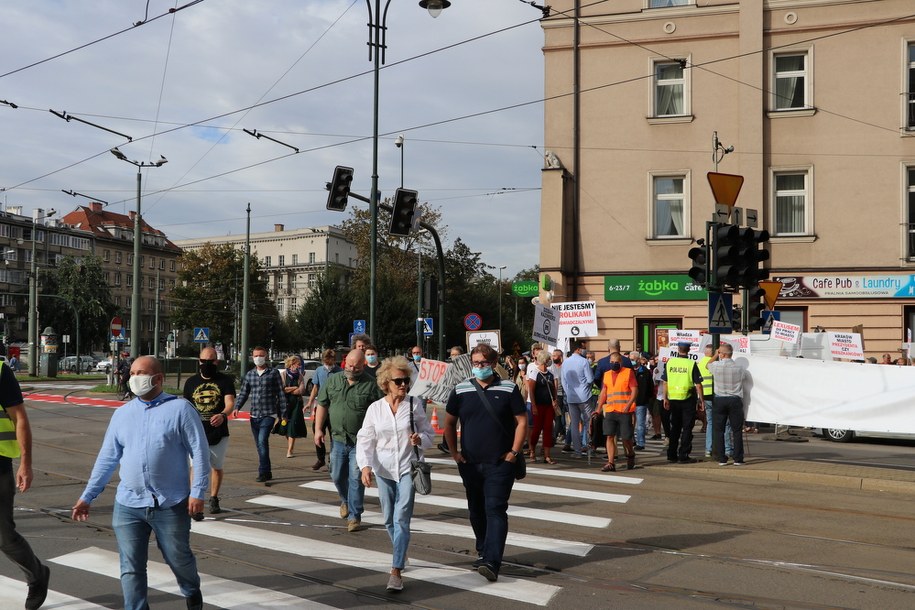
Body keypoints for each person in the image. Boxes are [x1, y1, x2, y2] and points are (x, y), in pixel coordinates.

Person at [72, 356, 209, 610]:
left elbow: (200, 453)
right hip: (128, 503)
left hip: (171, 503)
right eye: (132, 372)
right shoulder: (122, 414)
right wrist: (87, 496)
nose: (133, 378)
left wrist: (198, 492)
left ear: (158, 378)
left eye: (140, 373)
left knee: (178, 558)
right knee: (131, 566)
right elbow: (107, 458)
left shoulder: (180, 409)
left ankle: (191, 590)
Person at [443, 343, 526, 583]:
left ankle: (492, 561)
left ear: (493, 363)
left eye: (485, 363)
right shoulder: (460, 390)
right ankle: (483, 550)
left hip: (500, 464)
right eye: (476, 363)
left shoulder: (508, 388)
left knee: (495, 509)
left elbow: (521, 421)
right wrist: (454, 454)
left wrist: (513, 452)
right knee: (476, 511)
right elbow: (449, 423)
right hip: (470, 463)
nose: (480, 367)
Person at [357, 356, 434, 592]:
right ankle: (401, 550)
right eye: (398, 381)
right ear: (386, 383)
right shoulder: (375, 409)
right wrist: (365, 466)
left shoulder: (414, 405)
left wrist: (420, 439)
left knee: (401, 518)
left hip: (408, 468)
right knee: (389, 518)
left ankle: (396, 570)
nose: (403, 385)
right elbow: (366, 438)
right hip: (383, 470)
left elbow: (429, 434)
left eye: (405, 381)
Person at [314, 350, 383, 533]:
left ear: (363, 366)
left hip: (360, 442)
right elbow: (322, 404)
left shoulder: (370, 384)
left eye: (357, 366)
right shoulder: (333, 380)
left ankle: (354, 516)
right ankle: (345, 500)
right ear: (345, 363)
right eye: (349, 365)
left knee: (355, 478)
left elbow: (380, 409)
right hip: (337, 439)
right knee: (336, 475)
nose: (352, 369)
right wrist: (318, 429)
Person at [0, 358, 50, 610]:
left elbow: (19, 418)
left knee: (4, 536)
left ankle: (37, 575)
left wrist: (25, 463)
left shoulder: (0, 372)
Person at [183, 346, 236, 515]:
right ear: (199, 361)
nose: (207, 363)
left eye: (210, 361)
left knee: (216, 466)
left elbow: (229, 403)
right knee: (196, 467)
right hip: (196, 432)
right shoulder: (191, 382)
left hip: (218, 432)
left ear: (216, 361)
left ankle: (213, 497)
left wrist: (222, 414)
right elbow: (186, 406)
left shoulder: (225, 381)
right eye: (204, 361)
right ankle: (195, 498)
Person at [233, 346, 284, 483]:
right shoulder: (250, 375)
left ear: (266, 356)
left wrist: (283, 414)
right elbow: (244, 393)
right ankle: (267, 471)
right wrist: (237, 406)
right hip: (254, 415)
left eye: (260, 355)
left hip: (269, 414)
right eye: (255, 355)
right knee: (259, 445)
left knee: (262, 441)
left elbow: (280, 393)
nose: (258, 358)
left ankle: (263, 472)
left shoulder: (273, 373)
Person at [661, 341, 704, 464]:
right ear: (689, 349)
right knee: (687, 428)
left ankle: (671, 454)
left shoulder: (670, 362)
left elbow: (665, 382)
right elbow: (698, 385)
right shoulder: (691, 363)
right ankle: (683, 455)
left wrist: (665, 398)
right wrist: (701, 400)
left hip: (673, 399)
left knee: (675, 428)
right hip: (688, 399)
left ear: (678, 349)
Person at [596, 352, 638, 472]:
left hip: (624, 411)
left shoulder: (628, 372)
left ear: (621, 362)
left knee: (626, 438)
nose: (614, 364)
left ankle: (630, 454)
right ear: (610, 363)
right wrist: (598, 409)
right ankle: (610, 462)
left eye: (616, 362)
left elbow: (635, 390)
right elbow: (604, 392)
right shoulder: (607, 374)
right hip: (610, 410)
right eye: (612, 362)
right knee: (609, 436)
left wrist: (629, 404)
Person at [708, 343, 748, 466]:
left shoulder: (716, 366)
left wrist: (715, 354)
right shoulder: (740, 368)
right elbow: (744, 379)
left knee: (719, 430)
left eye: (720, 353)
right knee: (736, 430)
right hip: (735, 400)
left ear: (723, 354)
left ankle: (722, 458)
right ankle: (738, 458)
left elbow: (707, 365)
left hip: (719, 400)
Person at [305, 349, 342, 471]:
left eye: (331, 360)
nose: (329, 363)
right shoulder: (319, 370)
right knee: (317, 431)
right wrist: (309, 402)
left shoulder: (339, 372)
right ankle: (320, 458)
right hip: (321, 407)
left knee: (334, 434)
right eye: (327, 360)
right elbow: (315, 388)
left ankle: (332, 460)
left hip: (335, 407)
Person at [560, 340, 594, 458]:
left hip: (571, 397)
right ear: (579, 349)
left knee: (574, 425)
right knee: (588, 423)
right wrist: (586, 387)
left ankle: (577, 452)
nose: (584, 350)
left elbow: (563, 381)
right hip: (584, 396)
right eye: (583, 348)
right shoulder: (584, 361)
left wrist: (569, 391)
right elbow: (590, 379)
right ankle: (589, 448)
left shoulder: (565, 362)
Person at [526, 351, 557, 464]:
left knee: (548, 429)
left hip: (549, 406)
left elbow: (553, 388)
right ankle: (532, 450)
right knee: (537, 430)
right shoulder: (535, 373)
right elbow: (531, 390)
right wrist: (533, 405)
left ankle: (547, 455)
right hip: (538, 405)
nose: (550, 361)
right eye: (549, 359)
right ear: (545, 360)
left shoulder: (550, 373)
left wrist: (555, 400)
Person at [280, 355, 309, 458]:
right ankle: (290, 445)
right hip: (285, 404)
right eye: (298, 364)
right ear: (292, 364)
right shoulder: (283, 375)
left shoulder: (300, 376)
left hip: (296, 404)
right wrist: (294, 387)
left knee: (293, 426)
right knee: (285, 427)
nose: (299, 367)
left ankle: (290, 450)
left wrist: (289, 389)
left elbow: (301, 390)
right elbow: (282, 389)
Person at [632, 355, 654, 451]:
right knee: (629, 423)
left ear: (638, 359)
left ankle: (640, 443)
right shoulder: (628, 371)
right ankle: (631, 440)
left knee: (640, 424)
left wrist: (646, 398)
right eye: (631, 359)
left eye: (634, 359)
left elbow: (650, 386)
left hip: (641, 401)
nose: (632, 361)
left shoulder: (645, 371)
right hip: (629, 401)